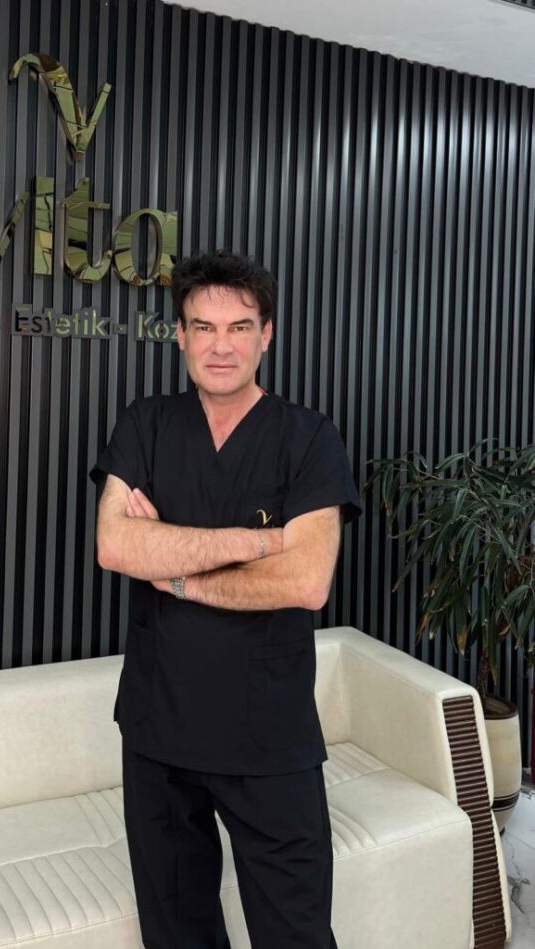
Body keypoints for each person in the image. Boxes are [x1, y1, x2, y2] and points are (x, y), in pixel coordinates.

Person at [89, 249, 362, 948]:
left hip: (268, 736)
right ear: (179, 335)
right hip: (158, 731)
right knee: (176, 934)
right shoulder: (146, 423)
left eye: (239, 327)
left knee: (296, 935)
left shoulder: (308, 438)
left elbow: (306, 582)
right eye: (203, 327)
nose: (221, 345)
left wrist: (176, 570)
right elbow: (116, 545)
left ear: (266, 334)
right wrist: (259, 541)